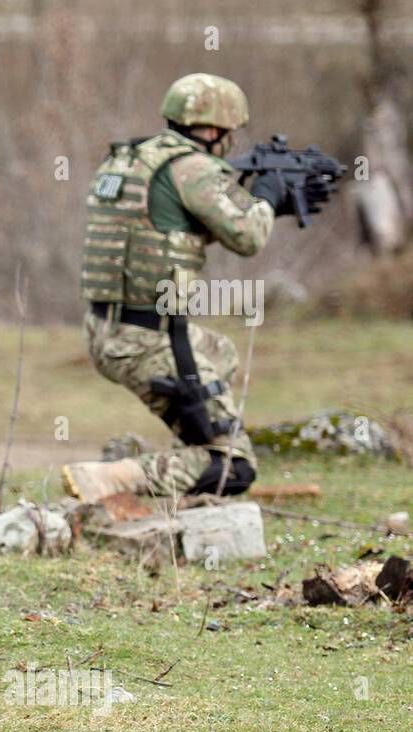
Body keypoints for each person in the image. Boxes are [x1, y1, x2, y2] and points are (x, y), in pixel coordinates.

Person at [63, 73, 287, 504]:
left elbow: (162, 231)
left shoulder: (133, 159)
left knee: (220, 353)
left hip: (109, 329)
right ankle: (113, 477)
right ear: (216, 129)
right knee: (235, 467)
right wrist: (268, 198)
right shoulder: (192, 168)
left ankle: (192, 451)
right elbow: (248, 237)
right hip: (150, 338)